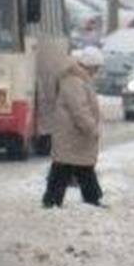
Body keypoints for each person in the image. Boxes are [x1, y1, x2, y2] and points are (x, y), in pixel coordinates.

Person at [42, 47, 104, 208]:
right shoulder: (74, 81)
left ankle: (55, 200)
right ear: (89, 66)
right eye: (96, 68)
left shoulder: (77, 78)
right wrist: (91, 128)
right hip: (72, 133)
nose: (96, 72)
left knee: (72, 166)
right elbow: (79, 109)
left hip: (73, 134)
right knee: (69, 167)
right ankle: (54, 200)